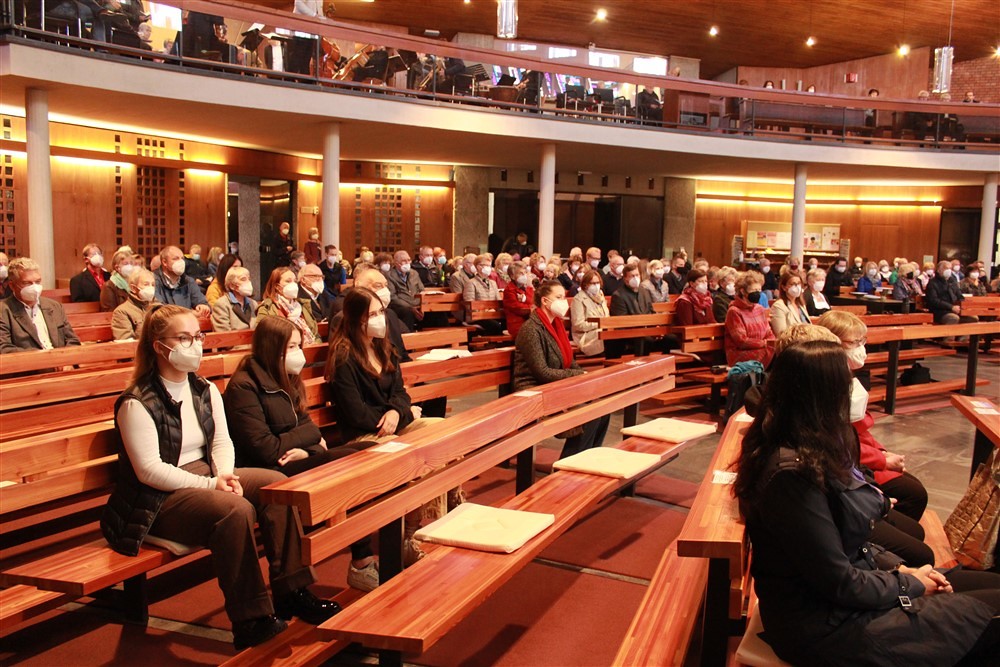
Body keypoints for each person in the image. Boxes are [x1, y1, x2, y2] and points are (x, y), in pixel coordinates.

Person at [733, 340, 1000, 667]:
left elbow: (850, 546)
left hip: (846, 597)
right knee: (988, 622)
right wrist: (910, 583)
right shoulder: (791, 476)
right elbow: (839, 581)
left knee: (992, 586)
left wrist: (899, 570)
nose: (852, 391)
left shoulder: (809, 446)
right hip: (825, 625)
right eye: (845, 383)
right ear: (822, 394)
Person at [100, 305, 339, 651]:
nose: (195, 345)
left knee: (276, 486)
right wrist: (212, 484)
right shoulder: (137, 402)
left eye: (198, 336)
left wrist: (225, 473)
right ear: (159, 346)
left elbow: (221, 441)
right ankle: (250, 619)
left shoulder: (203, 389)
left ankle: (292, 590)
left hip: (206, 476)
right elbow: (149, 470)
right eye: (184, 338)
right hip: (154, 499)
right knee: (236, 510)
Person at [222, 316, 379, 592]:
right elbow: (265, 448)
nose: (298, 354)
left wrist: (307, 451)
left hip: (295, 460)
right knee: (349, 461)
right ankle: (362, 561)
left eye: (299, 346)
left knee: (367, 451)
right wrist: (305, 442)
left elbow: (311, 430)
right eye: (291, 347)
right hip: (266, 471)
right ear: (272, 348)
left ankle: (371, 554)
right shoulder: (244, 387)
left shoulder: (288, 378)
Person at [325, 288, 448, 565]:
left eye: (381, 312)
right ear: (357, 319)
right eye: (373, 314)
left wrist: (396, 412)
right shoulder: (344, 357)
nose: (381, 318)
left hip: (392, 425)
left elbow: (401, 394)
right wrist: (396, 416)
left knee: (439, 431)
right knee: (407, 453)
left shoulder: (384, 347)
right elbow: (356, 414)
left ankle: (414, 529)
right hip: (364, 435)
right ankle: (404, 536)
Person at [513, 281, 609, 459]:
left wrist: (584, 376)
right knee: (589, 414)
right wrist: (578, 374)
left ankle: (587, 461)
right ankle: (568, 464)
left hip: (554, 384)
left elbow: (569, 362)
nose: (563, 302)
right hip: (535, 389)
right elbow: (542, 372)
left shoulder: (556, 325)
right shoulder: (531, 329)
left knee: (603, 407)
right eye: (558, 297)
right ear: (545, 301)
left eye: (564, 297)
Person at [0, 257, 81, 353]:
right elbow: (4, 348)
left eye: (38, 282)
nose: (35, 287)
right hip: (30, 361)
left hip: (62, 359)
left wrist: (65, 358)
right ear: (12, 286)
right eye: (27, 283)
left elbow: (73, 340)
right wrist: (44, 358)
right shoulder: (3, 310)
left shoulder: (54, 306)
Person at [724, 270, 774, 366]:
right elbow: (742, 341)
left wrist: (771, 343)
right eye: (754, 290)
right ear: (743, 291)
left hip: (762, 349)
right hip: (740, 354)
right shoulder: (734, 311)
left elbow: (769, 333)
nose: (757, 293)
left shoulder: (759, 309)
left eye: (759, 290)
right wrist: (764, 343)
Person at [257, 267, 318, 343]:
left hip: (310, 345)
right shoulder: (267, 308)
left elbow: (316, 334)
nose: (293, 284)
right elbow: (264, 335)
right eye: (288, 281)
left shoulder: (302, 305)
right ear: (277, 287)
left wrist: (315, 344)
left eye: (295, 281)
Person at [154, 246, 210, 317]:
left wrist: (203, 306)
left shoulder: (188, 281)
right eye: (176, 259)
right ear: (164, 262)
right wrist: (189, 313)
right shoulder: (153, 281)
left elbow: (201, 301)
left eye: (182, 258)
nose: (181, 262)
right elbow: (160, 310)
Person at [925, 260, 978, 325]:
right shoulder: (933, 283)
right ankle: (948, 331)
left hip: (955, 309)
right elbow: (934, 300)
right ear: (939, 270)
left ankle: (963, 332)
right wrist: (951, 307)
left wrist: (962, 305)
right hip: (939, 311)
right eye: (946, 268)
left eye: (950, 268)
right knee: (953, 318)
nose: (948, 270)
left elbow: (959, 295)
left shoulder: (952, 281)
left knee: (973, 318)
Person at [570, 269, 608, 357]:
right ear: (586, 284)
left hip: (602, 330)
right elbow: (578, 324)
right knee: (603, 335)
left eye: (598, 283)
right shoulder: (578, 299)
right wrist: (599, 324)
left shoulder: (601, 296)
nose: (596, 286)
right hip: (586, 335)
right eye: (593, 283)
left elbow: (607, 316)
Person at [111, 268, 156, 340]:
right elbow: (125, 341)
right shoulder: (122, 311)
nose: (150, 288)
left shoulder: (157, 307)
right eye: (146, 284)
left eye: (153, 285)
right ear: (133, 288)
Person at [463, 254, 502, 335]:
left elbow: (498, 301)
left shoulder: (493, 283)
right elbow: (469, 303)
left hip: (492, 314)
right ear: (478, 267)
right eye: (486, 265)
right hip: (477, 317)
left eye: (489, 266)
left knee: (507, 323)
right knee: (496, 326)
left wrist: (495, 310)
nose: (489, 268)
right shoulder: (471, 283)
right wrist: (485, 311)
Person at [385, 250, 424, 330]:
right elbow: (393, 297)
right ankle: (408, 336)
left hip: (416, 304)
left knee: (435, 312)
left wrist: (422, 306)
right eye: (404, 261)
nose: (407, 263)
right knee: (408, 313)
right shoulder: (389, 276)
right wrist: (410, 307)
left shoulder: (414, 273)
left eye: (409, 260)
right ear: (396, 263)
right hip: (400, 306)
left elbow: (421, 290)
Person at [211, 267, 256, 333]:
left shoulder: (253, 304)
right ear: (232, 286)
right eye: (243, 279)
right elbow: (224, 334)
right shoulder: (221, 305)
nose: (248, 282)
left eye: (249, 279)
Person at [769, 271, 811, 335]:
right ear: (784, 287)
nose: (797, 287)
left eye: (799, 283)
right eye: (793, 284)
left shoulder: (801, 305)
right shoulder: (779, 306)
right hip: (793, 340)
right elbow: (781, 333)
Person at [503, 261, 534, 341]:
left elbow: (534, 302)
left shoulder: (528, 288)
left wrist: (525, 299)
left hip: (530, 321)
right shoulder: (509, 290)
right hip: (518, 324)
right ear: (512, 276)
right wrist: (532, 308)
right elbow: (518, 309)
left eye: (525, 272)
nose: (524, 275)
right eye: (520, 273)